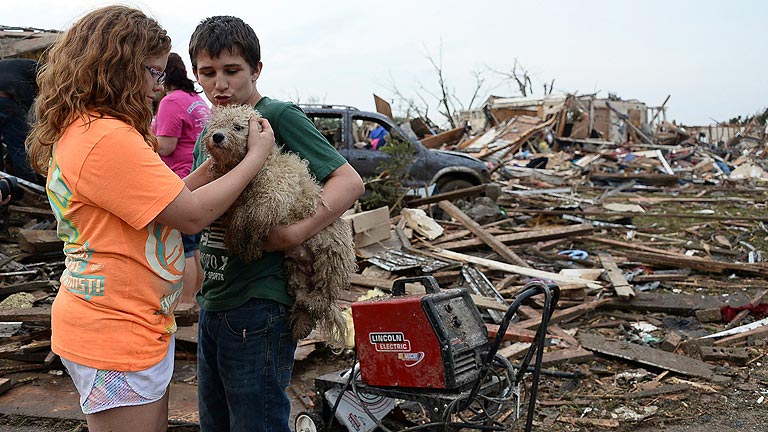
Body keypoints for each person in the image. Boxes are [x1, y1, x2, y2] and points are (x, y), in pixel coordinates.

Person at [25, 6, 275, 432]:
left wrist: (218, 164)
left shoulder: (96, 130)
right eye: (154, 73)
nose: (159, 88)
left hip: (130, 321)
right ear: (118, 67)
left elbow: (171, 198)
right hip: (114, 329)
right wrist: (255, 156)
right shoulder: (105, 139)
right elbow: (192, 216)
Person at [188, 15, 365, 432]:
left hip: (261, 301)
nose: (220, 85)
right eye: (207, 73)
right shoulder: (211, 131)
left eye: (232, 71)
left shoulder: (275, 117)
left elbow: (349, 181)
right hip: (215, 299)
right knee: (215, 422)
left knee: (257, 422)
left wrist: (294, 233)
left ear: (256, 70)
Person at [152, 52, 211, 305]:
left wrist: (138, 140)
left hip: (180, 179)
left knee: (185, 248)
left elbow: (165, 146)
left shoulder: (170, 102)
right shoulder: (196, 99)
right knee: (196, 246)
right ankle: (197, 298)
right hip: (203, 177)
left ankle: (185, 302)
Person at [0, 58, 41, 184]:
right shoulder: (41, 70)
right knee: (20, 146)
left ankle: (4, 184)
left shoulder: (12, 65)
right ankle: (28, 185)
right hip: (6, 101)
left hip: (7, 99)